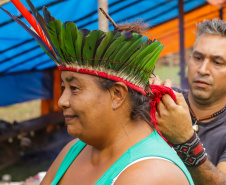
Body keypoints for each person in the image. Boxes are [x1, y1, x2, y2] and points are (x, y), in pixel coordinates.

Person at [1, 1, 194, 185]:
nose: (62, 101)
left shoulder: (152, 173)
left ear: (117, 94)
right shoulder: (73, 151)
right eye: (63, 88)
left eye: (74, 89)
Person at [150, 18, 226, 185]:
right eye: (198, 58)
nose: (202, 69)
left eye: (217, 62)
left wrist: (185, 140)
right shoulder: (162, 100)